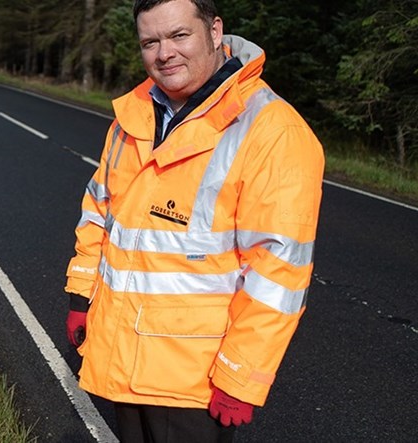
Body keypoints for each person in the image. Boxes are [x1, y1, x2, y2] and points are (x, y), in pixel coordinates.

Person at [63, 0, 323, 441]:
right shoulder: (134, 117)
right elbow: (98, 211)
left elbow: (277, 272)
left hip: (193, 383)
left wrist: (241, 375)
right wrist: (80, 294)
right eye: (150, 41)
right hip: (125, 356)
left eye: (179, 35)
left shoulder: (271, 130)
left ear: (215, 31)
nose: (165, 53)